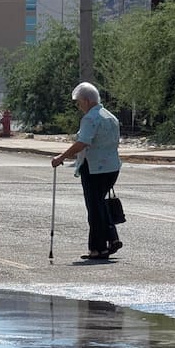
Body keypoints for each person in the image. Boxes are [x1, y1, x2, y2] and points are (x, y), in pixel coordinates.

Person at [50, 82, 123, 260]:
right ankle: (110, 240)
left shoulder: (90, 118)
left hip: (94, 168)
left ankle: (99, 249)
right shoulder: (109, 116)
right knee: (99, 205)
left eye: (79, 102)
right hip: (112, 168)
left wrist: (61, 157)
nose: (78, 106)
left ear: (88, 100)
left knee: (94, 208)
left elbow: (83, 143)